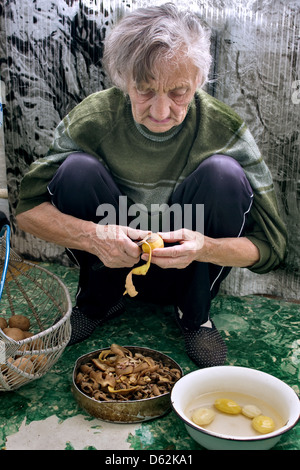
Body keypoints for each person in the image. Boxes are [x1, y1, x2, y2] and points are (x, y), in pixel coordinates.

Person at [15, 3, 286, 368]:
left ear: (199, 82)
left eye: (178, 92)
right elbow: (28, 212)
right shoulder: (94, 119)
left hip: (191, 272)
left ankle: (195, 317)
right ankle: (98, 302)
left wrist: (204, 247)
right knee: (76, 170)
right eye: (144, 91)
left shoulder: (223, 129)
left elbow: (272, 247)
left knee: (224, 174)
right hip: (108, 264)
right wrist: (93, 236)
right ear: (123, 79)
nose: (161, 112)